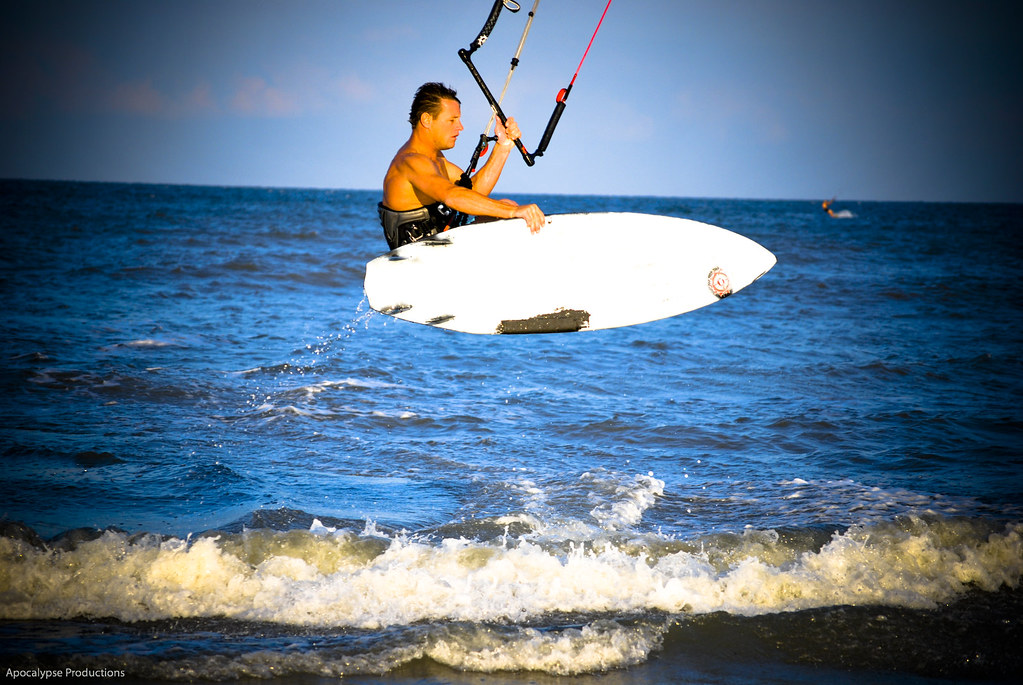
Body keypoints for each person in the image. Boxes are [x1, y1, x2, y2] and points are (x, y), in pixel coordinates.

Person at [380, 82, 545, 250]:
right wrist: (513, 213)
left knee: (508, 204)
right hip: (417, 256)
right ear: (427, 120)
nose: (460, 127)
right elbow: (452, 196)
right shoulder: (411, 162)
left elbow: (472, 193)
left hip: (439, 242)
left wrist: (503, 146)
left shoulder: (435, 158)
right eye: (452, 120)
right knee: (510, 211)